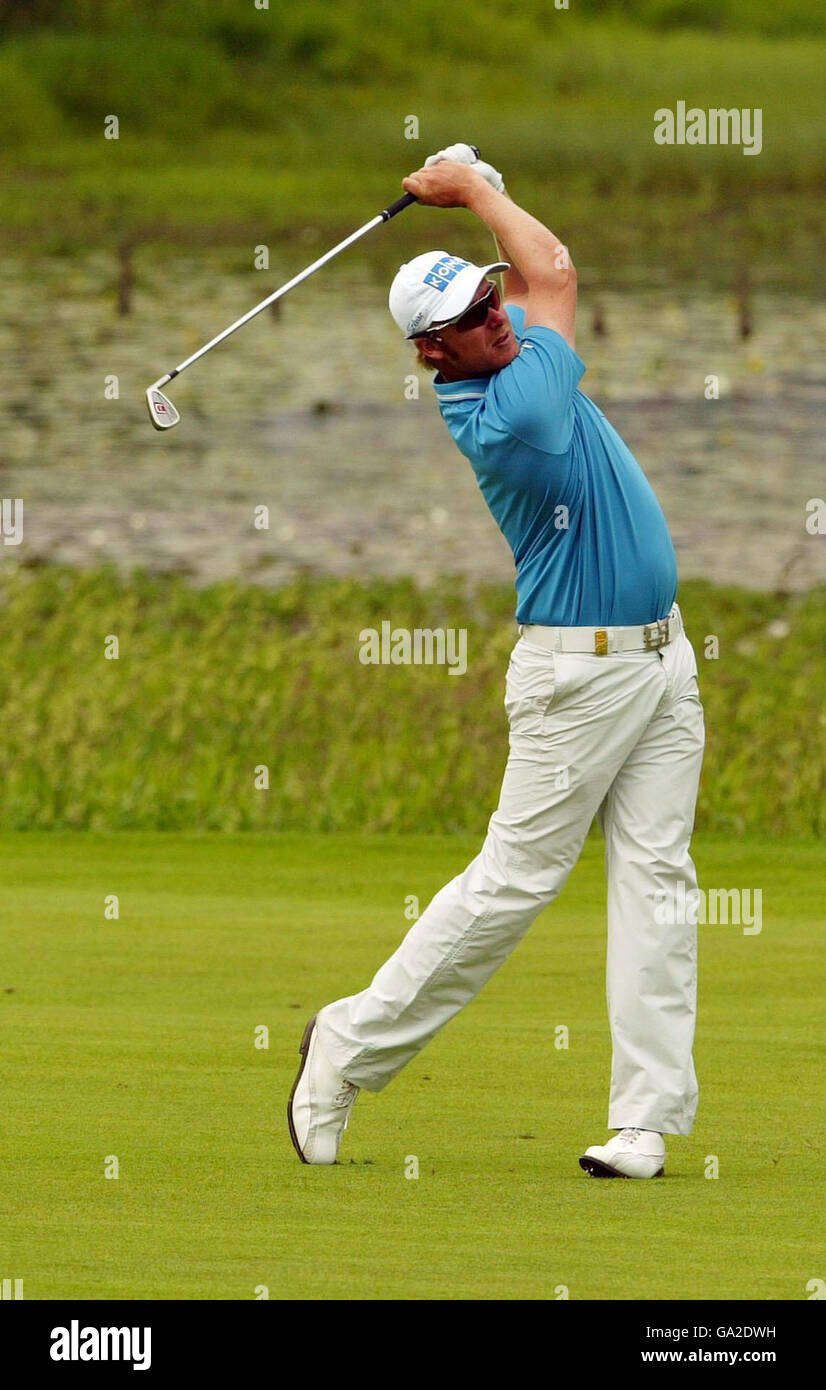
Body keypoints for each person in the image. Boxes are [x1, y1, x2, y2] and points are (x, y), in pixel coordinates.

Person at [288, 145, 706, 1179]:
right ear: (435, 355)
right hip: (576, 677)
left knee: (657, 883)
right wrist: (474, 187)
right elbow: (554, 272)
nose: (495, 315)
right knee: (514, 882)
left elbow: (523, 279)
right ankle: (348, 1045)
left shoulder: (504, 344)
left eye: (487, 298)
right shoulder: (513, 408)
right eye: (471, 318)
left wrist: (476, 198)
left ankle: (644, 1121)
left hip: (661, 658)